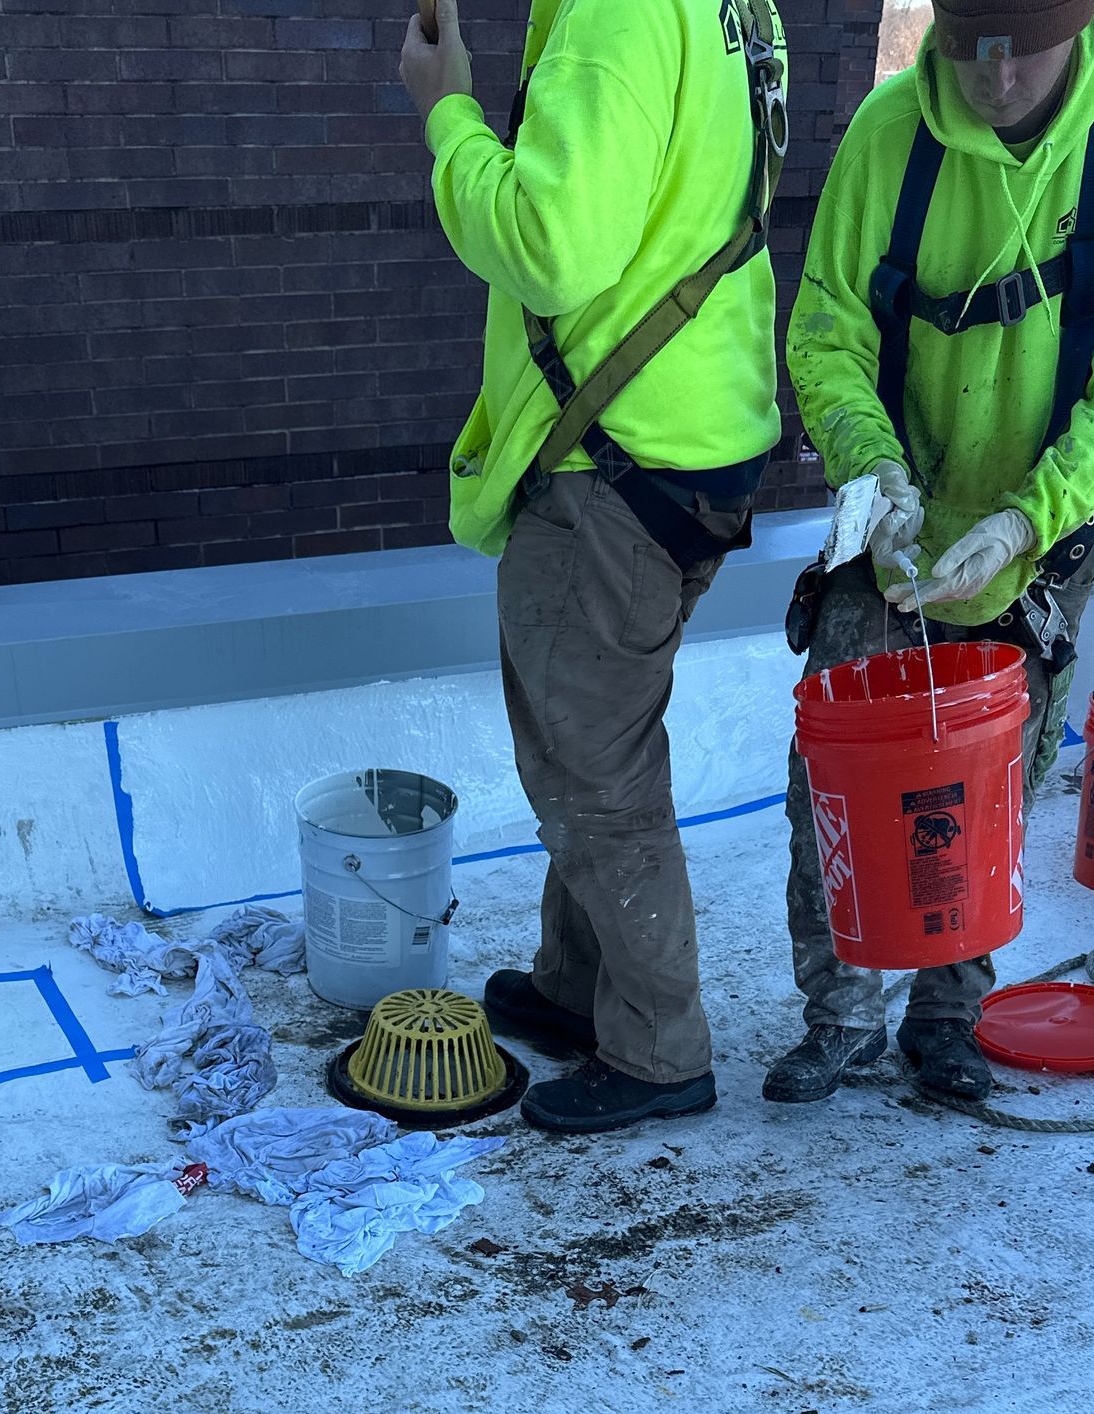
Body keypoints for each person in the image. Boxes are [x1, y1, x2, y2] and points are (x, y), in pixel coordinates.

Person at [768, 0, 1094, 1104]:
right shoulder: (889, 130)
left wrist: (1025, 519)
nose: (995, 78)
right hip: (895, 522)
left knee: (988, 794)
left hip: (1037, 533)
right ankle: (839, 1021)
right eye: (970, 48)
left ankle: (949, 1017)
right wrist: (873, 471)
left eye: (1023, 52)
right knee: (830, 782)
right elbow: (826, 333)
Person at [400, 0, 787, 1132]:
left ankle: (661, 1048)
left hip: (613, 461)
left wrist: (446, 115)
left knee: (595, 773)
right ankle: (581, 987)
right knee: (596, 736)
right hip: (697, 439)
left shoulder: (619, 9)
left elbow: (549, 246)